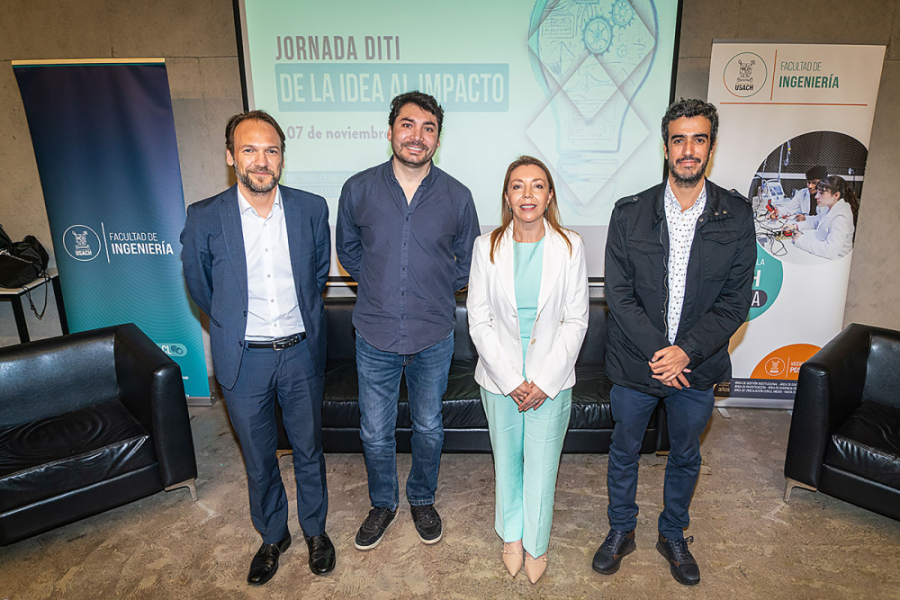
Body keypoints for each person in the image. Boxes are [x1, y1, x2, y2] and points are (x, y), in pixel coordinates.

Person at [593, 99, 755, 586]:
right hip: (635, 365)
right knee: (624, 451)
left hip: (697, 368)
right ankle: (621, 529)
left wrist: (685, 352)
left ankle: (673, 532)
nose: (688, 150)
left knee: (686, 455)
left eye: (699, 139)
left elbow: (734, 302)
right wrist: (660, 354)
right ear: (666, 147)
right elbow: (618, 295)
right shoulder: (630, 213)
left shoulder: (737, 215)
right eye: (679, 139)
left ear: (710, 146)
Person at [181, 110, 335, 584]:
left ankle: (314, 531)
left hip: (300, 353)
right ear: (231, 157)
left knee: (309, 449)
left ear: (282, 158)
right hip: (243, 358)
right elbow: (202, 288)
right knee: (259, 456)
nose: (261, 160)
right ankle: (273, 535)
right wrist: (234, 325)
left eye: (271, 150)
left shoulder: (311, 208)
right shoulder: (205, 216)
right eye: (249, 150)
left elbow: (315, 277)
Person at [336, 91, 480, 551]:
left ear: (438, 138)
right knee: (375, 431)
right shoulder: (357, 189)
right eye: (407, 124)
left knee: (429, 427)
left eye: (428, 128)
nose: (417, 136)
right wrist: (380, 287)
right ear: (391, 130)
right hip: (374, 332)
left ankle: (421, 497)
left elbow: (469, 261)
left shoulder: (458, 196)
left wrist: (433, 289)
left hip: (433, 333)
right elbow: (349, 252)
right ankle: (383, 502)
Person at [467, 156, 589, 583]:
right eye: (518, 186)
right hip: (500, 378)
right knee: (508, 461)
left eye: (537, 186)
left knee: (542, 464)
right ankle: (512, 536)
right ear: (506, 195)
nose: (527, 195)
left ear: (549, 195)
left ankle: (537, 543)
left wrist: (543, 380)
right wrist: (513, 380)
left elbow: (576, 321)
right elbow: (478, 319)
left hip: (551, 380)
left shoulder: (570, 245)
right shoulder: (487, 247)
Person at [783, 175, 858, 260]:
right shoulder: (831, 207)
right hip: (822, 254)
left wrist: (801, 240)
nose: (816, 196)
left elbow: (830, 251)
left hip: (834, 262)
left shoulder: (841, 218)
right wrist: (796, 226)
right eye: (818, 192)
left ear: (836, 195)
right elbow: (817, 220)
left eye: (821, 193)